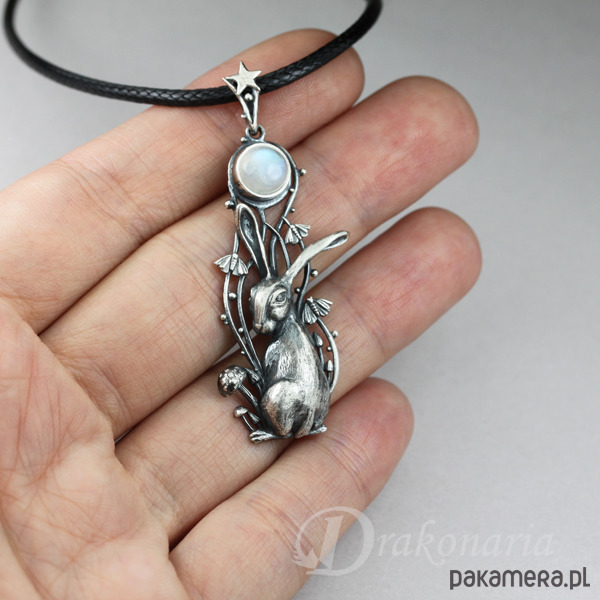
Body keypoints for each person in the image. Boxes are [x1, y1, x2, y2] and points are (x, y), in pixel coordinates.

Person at [0, 29, 481, 599]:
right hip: (284, 389)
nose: (262, 317)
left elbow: (275, 347)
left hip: (291, 403)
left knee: (278, 375)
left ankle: (271, 413)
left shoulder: (283, 325)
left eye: (272, 306)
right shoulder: (271, 308)